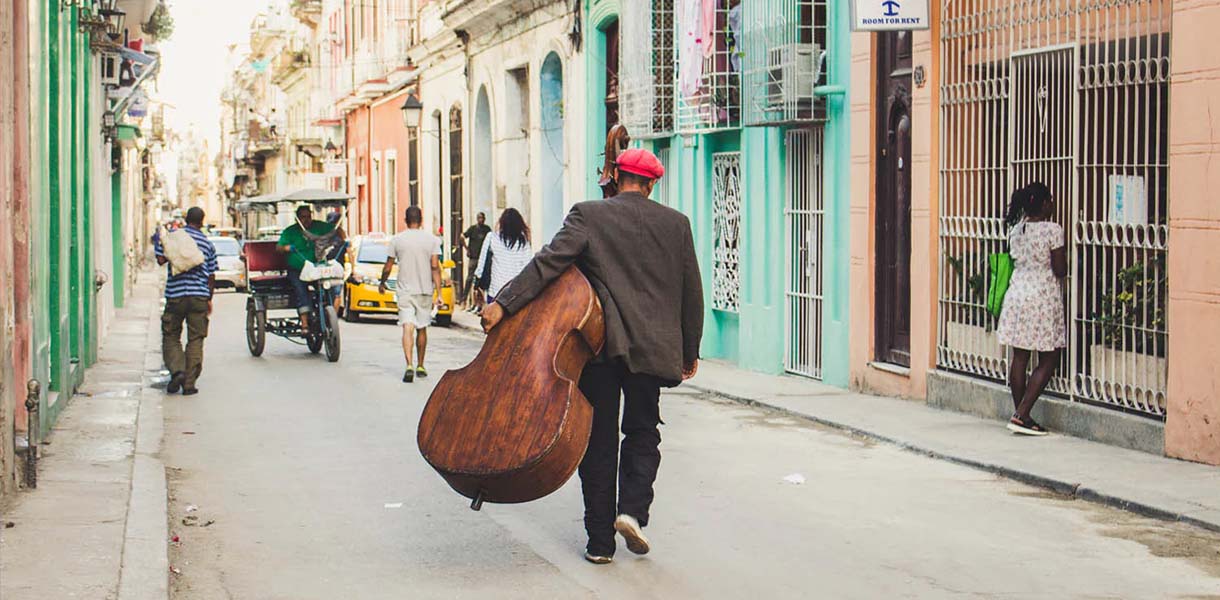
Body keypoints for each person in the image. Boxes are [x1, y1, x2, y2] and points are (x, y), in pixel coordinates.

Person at [481, 148, 704, 565]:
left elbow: (547, 264)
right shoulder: (677, 225)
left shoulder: (588, 214)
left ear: (617, 176)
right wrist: (689, 350)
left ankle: (599, 543)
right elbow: (692, 292)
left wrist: (503, 304)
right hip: (653, 350)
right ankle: (632, 512)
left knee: (598, 441)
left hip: (602, 348)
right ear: (652, 183)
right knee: (642, 431)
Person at [996, 182, 1067, 436]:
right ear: (1045, 203)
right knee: (1050, 355)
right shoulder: (1052, 230)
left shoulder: (1016, 230)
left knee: (1021, 355)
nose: (1053, 204)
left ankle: (1021, 415)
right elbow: (1059, 269)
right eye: (1051, 200)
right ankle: (1023, 414)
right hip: (1041, 296)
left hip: (1017, 294)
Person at [155, 207, 218, 396]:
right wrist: (209, 298)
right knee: (196, 339)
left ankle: (177, 371)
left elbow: (160, 259)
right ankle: (189, 383)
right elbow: (212, 275)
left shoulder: (174, 236)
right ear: (202, 221)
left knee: (171, 335)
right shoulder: (207, 244)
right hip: (198, 295)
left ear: (185, 219)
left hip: (175, 295)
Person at [379, 206, 442, 383]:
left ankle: (409, 364)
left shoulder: (397, 240)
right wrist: (439, 292)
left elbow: (388, 266)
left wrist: (382, 282)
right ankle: (421, 364)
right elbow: (435, 266)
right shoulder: (432, 240)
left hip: (405, 290)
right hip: (424, 290)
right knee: (422, 327)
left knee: (407, 326)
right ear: (421, 220)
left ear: (405, 220)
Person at [278, 205, 343, 334]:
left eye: (308, 217)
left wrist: (343, 240)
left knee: (328, 287)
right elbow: (279, 247)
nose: (306, 220)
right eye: (303, 217)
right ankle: (305, 324)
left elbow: (337, 230)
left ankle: (328, 313)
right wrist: (287, 248)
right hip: (298, 270)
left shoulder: (319, 226)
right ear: (297, 219)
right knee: (301, 291)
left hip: (316, 268)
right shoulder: (290, 231)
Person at [474, 208, 533, 303]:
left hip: (496, 292)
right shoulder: (523, 242)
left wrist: (477, 284)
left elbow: (481, 263)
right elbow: (528, 266)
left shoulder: (492, 237)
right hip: (516, 294)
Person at [460, 212, 493, 312]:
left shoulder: (487, 230)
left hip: (483, 259)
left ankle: (478, 304)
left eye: (482, 218)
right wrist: (467, 249)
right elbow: (462, 236)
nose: (481, 220)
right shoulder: (473, 229)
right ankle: (464, 300)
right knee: (469, 279)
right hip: (473, 258)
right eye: (479, 218)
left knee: (480, 282)